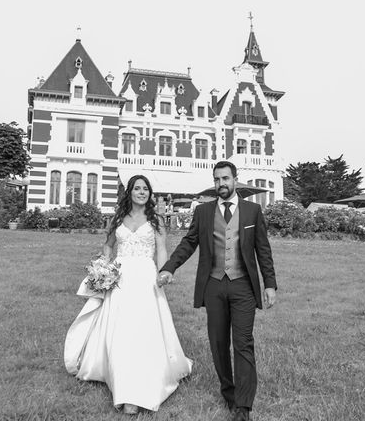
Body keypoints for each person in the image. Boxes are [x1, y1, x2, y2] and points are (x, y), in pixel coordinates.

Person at [157, 161, 277, 421]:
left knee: (243, 342)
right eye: (216, 179)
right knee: (219, 343)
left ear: (235, 179)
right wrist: (169, 268)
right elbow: (188, 243)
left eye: (225, 178)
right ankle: (229, 394)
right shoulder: (203, 211)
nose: (220, 184)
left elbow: (263, 250)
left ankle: (243, 407)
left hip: (243, 284)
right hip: (214, 284)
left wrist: (269, 284)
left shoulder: (253, 211)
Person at [64, 175, 192, 414]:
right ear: (129, 192)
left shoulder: (156, 222)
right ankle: (123, 385)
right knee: (120, 329)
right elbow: (108, 245)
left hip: (146, 279)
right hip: (120, 279)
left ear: (150, 194)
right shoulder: (117, 219)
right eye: (137, 188)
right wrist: (104, 266)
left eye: (145, 189)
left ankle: (138, 388)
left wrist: (164, 273)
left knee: (143, 329)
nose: (141, 192)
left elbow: (162, 250)